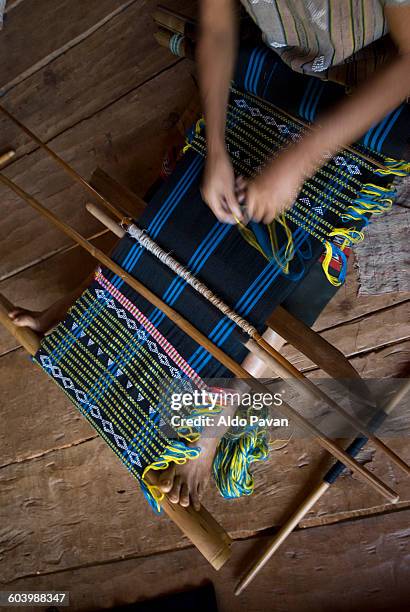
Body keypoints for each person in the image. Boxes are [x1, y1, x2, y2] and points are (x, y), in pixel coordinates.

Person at [9, 0, 410, 510]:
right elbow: (219, 31)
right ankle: (93, 305)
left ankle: (214, 420)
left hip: (372, 84)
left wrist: (300, 161)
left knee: (293, 274)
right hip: (275, 70)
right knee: (184, 200)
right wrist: (217, 148)